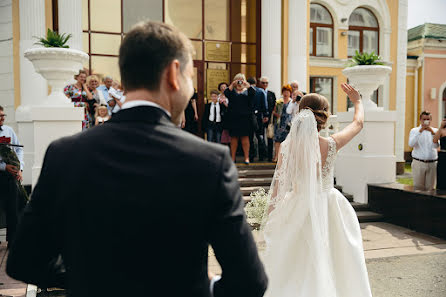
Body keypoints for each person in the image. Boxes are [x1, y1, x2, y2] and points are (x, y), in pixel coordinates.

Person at [6, 21, 267, 297]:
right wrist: (201, 284)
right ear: (174, 74)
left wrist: (89, 275)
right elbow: (250, 282)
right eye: (191, 77)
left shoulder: (64, 154)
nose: (191, 89)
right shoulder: (210, 162)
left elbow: (24, 260)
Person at [262, 84, 372, 297]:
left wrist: (271, 217)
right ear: (325, 117)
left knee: (298, 262)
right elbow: (358, 123)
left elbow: (279, 187)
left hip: (297, 205)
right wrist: (357, 101)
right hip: (329, 206)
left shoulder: (286, 147)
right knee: (337, 258)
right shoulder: (331, 144)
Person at [0, 105, 26, 246]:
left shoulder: (9, 130)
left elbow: (18, 149)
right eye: (0, 116)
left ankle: (13, 240)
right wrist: (4, 166)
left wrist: (19, 168)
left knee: (12, 207)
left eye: (3, 115)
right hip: (2, 171)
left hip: (10, 176)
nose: (3, 118)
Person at [224, 73, 256, 164]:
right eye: (237, 80)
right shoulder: (231, 91)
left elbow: (253, 93)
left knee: (245, 138)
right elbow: (226, 93)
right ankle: (233, 158)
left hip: (245, 118)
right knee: (234, 139)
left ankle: (246, 158)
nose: (239, 82)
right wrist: (232, 84)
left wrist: (247, 85)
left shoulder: (247, 91)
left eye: (241, 79)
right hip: (234, 118)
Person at [408, 111, 439, 191]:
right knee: (418, 188)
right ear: (420, 119)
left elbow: (436, 146)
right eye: (424, 119)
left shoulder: (435, 131)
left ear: (430, 120)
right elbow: (411, 144)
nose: (426, 121)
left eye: (428, 119)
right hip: (419, 163)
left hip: (432, 163)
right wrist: (420, 131)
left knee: (431, 188)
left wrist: (432, 133)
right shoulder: (414, 131)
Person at [247, 77, 268, 162]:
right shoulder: (261, 91)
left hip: (248, 116)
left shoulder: (246, 91)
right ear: (256, 83)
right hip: (259, 116)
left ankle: (251, 156)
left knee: (250, 137)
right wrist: (266, 115)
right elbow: (264, 104)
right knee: (260, 136)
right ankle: (262, 157)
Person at [272, 85, 293, 162]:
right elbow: (273, 111)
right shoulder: (279, 101)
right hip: (279, 123)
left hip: (288, 123)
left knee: (287, 140)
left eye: (287, 92)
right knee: (277, 140)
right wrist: (276, 114)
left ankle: (285, 157)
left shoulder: (291, 102)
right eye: (284, 92)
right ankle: (276, 156)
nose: (286, 93)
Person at [258, 76, 276, 162]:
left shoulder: (271, 94)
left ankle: (269, 157)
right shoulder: (257, 92)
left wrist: (268, 117)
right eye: (263, 83)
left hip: (269, 119)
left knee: (270, 138)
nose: (265, 84)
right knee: (260, 138)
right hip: (259, 118)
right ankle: (261, 157)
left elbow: (273, 106)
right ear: (260, 83)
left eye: (266, 83)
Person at [433, 116, 446, 190]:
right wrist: (441, 126)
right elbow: (434, 140)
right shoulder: (441, 130)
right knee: (442, 175)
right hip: (443, 155)